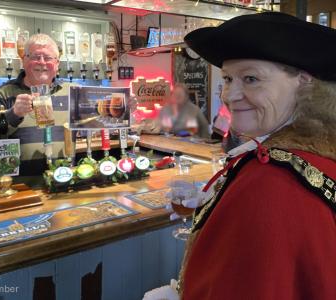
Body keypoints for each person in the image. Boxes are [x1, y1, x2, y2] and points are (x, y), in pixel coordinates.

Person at [144, 12, 336, 300]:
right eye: (228, 79)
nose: (231, 95)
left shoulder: (272, 181)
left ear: (305, 83)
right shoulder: (315, 155)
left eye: (251, 79)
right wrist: (222, 202)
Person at [0, 34, 69, 181]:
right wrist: (13, 114)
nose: (42, 62)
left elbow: (97, 121)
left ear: (57, 63)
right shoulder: (4, 93)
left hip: (63, 181)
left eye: (48, 58)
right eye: (35, 57)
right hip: (18, 188)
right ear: (24, 60)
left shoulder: (71, 92)